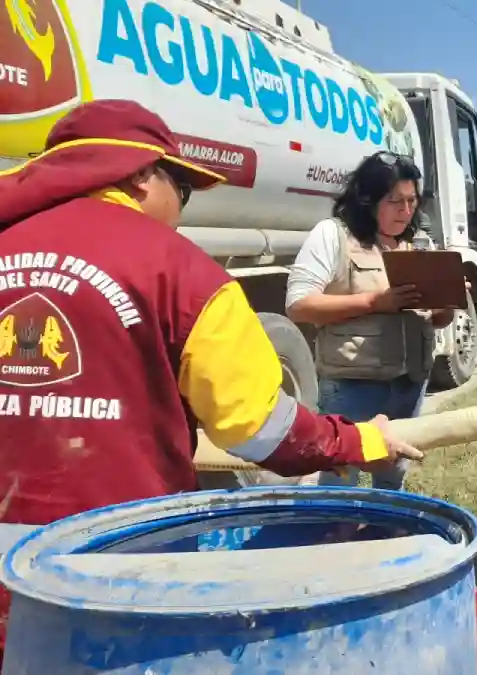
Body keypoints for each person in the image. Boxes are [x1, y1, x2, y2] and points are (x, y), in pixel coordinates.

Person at [0, 99, 418, 655]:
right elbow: (260, 429)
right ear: (144, 175)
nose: (182, 208)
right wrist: (362, 438)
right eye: (185, 189)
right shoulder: (181, 271)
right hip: (112, 574)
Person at [286, 151, 460, 490]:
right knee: (339, 480)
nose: (406, 211)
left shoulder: (418, 243)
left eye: (412, 201)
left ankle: (387, 538)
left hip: (409, 384)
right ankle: (336, 539)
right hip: (353, 387)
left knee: (393, 476)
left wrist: (446, 298)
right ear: (366, 199)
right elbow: (298, 304)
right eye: (395, 201)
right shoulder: (333, 235)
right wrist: (374, 302)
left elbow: (438, 319)